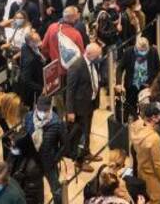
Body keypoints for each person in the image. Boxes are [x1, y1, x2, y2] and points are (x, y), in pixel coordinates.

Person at [66, 42, 102, 172]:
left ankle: (86, 152)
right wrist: (70, 111)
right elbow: (70, 90)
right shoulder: (76, 66)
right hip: (79, 108)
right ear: (90, 54)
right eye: (98, 54)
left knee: (87, 132)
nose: (100, 56)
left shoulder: (93, 63)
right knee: (81, 135)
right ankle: (79, 161)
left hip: (90, 104)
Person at [23, 95, 65, 204]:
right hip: (32, 162)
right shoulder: (28, 117)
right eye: (40, 109)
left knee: (56, 190)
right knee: (34, 189)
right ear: (36, 107)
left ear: (50, 108)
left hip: (49, 163)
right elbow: (24, 135)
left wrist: (55, 158)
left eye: (45, 110)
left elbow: (65, 145)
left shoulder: (57, 123)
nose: (42, 112)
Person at [130, 103, 160, 204]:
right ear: (153, 118)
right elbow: (158, 164)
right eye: (159, 115)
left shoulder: (136, 125)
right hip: (152, 177)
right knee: (156, 199)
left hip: (140, 170)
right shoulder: (154, 139)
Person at [115, 37, 160, 119]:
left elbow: (158, 69)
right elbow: (120, 68)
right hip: (131, 86)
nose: (142, 53)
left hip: (147, 86)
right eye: (140, 51)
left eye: (144, 51)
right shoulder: (128, 52)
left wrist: (155, 85)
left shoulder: (153, 52)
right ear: (136, 47)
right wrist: (118, 83)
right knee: (131, 109)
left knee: (146, 111)